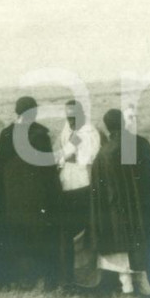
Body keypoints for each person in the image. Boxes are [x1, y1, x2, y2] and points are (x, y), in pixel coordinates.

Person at [0, 96, 63, 285]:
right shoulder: (40, 134)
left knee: (17, 233)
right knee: (39, 233)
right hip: (36, 194)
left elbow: (0, 166)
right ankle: (40, 276)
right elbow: (48, 168)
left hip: (13, 194)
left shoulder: (6, 134)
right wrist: (55, 192)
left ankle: (21, 277)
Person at [87, 109, 150, 295]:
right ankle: (144, 286)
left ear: (108, 127)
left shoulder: (104, 152)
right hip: (142, 206)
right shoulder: (140, 144)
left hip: (117, 208)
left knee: (122, 248)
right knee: (139, 245)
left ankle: (127, 287)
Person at [56, 99, 100, 285]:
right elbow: (65, 153)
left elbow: (87, 160)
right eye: (68, 117)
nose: (70, 120)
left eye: (73, 117)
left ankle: (87, 272)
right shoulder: (75, 132)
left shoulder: (88, 132)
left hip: (83, 184)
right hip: (70, 184)